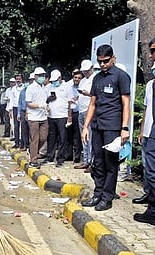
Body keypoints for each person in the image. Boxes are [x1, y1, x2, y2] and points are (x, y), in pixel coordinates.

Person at [81, 44, 131, 211]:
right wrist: (86, 126)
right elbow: (93, 104)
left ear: (113, 58)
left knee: (111, 163)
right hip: (97, 125)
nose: (102, 64)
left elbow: (126, 104)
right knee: (98, 162)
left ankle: (107, 197)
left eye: (106, 61)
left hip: (113, 127)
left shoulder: (121, 76)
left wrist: (125, 128)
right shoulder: (97, 78)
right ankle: (98, 193)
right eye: (100, 61)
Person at [134, 41, 155, 225]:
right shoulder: (151, 85)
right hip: (149, 132)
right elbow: (147, 110)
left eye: (153, 52)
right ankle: (149, 198)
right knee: (149, 170)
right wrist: (142, 131)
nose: (150, 56)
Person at [43, 69, 73, 167]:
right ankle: (49, 157)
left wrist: (69, 116)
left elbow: (70, 102)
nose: (54, 82)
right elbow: (45, 100)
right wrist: (49, 99)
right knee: (51, 138)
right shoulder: (50, 87)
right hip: (51, 116)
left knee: (62, 138)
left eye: (56, 80)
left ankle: (60, 158)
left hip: (62, 116)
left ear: (60, 78)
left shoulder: (67, 87)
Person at [25, 67, 49, 168]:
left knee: (43, 137)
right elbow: (28, 103)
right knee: (35, 139)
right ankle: (33, 160)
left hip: (43, 117)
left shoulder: (44, 87)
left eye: (43, 75)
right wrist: (40, 106)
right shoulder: (30, 88)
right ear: (35, 77)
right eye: (39, 76)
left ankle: (32, 151)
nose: (42, 77)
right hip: (34, 117)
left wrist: (46, 106)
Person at [76, 59, 96, 172]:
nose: (85, 73)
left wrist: (86, 93)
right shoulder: (83, 80)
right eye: (84, 71)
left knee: (91, 137)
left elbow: (95, 95)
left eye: (87, 71)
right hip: (81, 111)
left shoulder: (95, 79)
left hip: (90, 111)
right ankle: (86, 161)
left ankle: (91, 162)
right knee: (83, 137)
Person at [66, 69, 83, 163]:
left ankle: (77, 156)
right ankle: (68, 155)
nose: (77, 79)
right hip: (69, 112)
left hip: (79, 112)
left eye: (79, 78)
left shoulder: (83, 87)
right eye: (75, 77)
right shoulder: (69, 87)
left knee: (77, 136)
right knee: (69, 135)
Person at [17, 73, 33, 151]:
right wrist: (19, 114)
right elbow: (19, 103)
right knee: (24, 130)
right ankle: (25, 145)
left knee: (31, 130)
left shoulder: (33, 90)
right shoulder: (22, 91)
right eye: (28, 81)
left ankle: (31, 146)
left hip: (31, 112)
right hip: (23, 112)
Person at [9, 74, 24, 148]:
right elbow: (11, 99)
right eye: (17, 79)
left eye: (19, 79)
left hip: (22, 109)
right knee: (16, 126)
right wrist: (10, 110)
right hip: (15, 108)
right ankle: (17, 142)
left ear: (22, 79)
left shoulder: (25, 88)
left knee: (23, 126)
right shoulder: (14, 89)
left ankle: (22, 143)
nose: (18, 80)